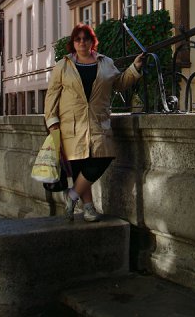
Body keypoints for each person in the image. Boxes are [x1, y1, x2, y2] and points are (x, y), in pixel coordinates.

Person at [44, 23, 144, 222]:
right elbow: (51, 96)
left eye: (86, 38)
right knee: (80, 167)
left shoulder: (105, 62)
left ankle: (72, 195)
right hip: (71, 124)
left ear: (92, 41)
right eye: (78, 39)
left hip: (98, 122)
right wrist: (52, 122)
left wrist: (135, 68)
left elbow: (120, 83)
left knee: (102, 158)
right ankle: (88, 208)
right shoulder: (63, 65)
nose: (82, 42)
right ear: (73, 43)